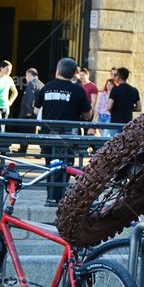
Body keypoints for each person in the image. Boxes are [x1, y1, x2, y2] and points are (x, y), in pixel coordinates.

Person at [35, 58, 92, 205]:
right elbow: (88, 115)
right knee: (66, 167)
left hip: (48, 135)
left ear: (57, 71)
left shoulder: (46, 87)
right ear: (74, 74)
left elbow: (36, 109)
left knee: (51, 165)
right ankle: (60, 198)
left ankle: (50, 197)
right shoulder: (78, 90)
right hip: (69, 136)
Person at [16, 68, 44, 154]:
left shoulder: (31, 84)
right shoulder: (42, 84)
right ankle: (42, 150)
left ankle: (22, 149)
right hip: (37, 112)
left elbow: (30, 97)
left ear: (29, 74)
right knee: (35, 131)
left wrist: (29, 111)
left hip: (28, 113)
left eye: (26, 75)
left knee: (23, 130)